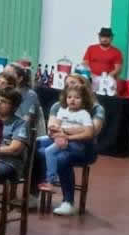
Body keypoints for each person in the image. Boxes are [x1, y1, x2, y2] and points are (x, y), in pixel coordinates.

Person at [36, 79, 102, 215]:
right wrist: (58, 131)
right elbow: (52, 129)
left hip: (82, 146)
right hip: (59, 139)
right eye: (70, 96)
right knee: (37, 147)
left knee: (61, 158)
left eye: (77, 97)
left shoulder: (89, 112)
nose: (72, 100)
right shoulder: (60, 108)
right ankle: (36, 190)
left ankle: (67, 200)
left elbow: (89, 132)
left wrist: (66, 134)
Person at [0, 88, 30, 185]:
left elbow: (14, 149)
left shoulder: (20, 124)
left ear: (14, 107)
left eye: (4, 101)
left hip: (8, 163)